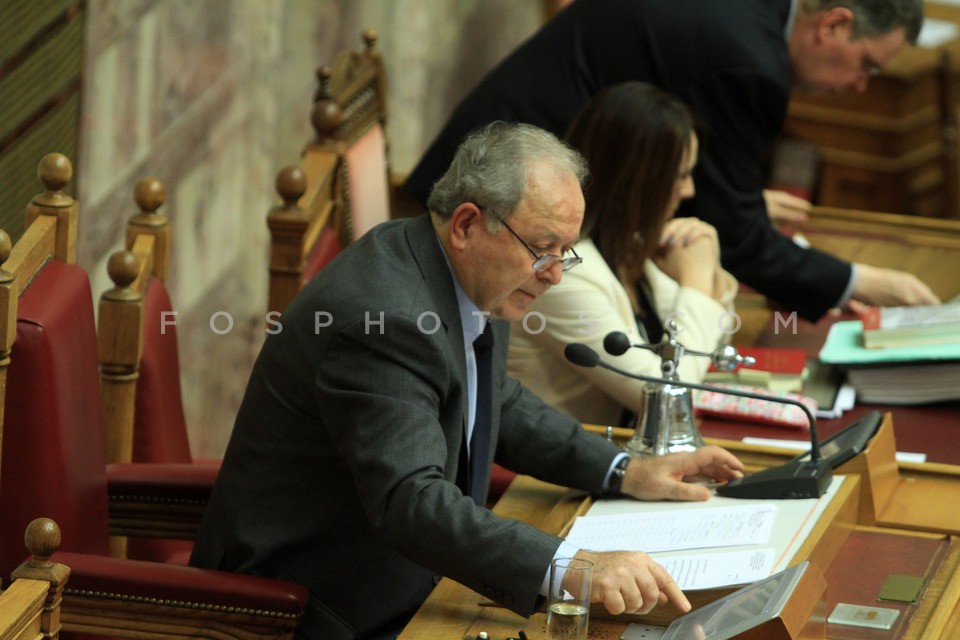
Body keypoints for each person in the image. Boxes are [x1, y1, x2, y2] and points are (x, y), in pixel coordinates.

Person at [190, 122, 744, 640]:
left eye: (564, 253)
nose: (553, 274)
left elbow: (493, 400)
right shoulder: (388, 319)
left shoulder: (468, 272)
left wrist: (625, 470)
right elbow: (412, 499)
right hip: (315, 608)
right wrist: (572, 568)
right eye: (542, 249)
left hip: (413, 577)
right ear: (466, 224)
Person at [405, 0, 939, 323]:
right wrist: (858, 280)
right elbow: (740, 239)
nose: (861, 86)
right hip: (499, 217)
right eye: (866, 64)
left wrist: (736, 197)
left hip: (490, 161)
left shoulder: (752, 23)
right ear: (834, 25)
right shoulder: (751, 64)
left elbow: (699, 176)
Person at [508, 82, 737, 427]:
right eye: (681, 176)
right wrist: (698, 280)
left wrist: (709, 272)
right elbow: (668, 396)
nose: (689, 191)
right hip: (554, 474)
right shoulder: (565, 274)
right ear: (640, 182)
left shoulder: (628, 250)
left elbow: (714, 352)